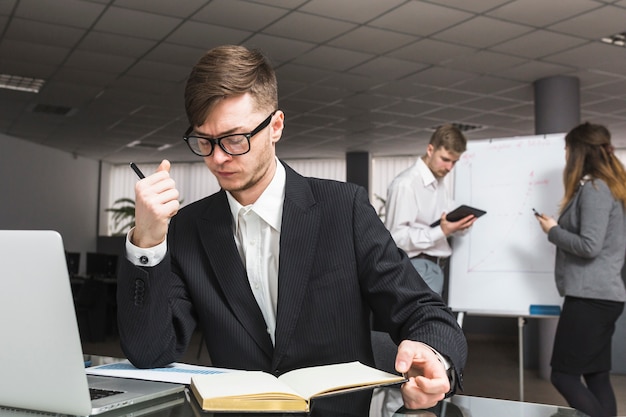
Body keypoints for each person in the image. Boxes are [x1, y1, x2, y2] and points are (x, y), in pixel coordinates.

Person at [116, 45, 467, 415]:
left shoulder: (342, 208)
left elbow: (424, 310)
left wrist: (434, 356)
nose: (218, 158)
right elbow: (150, 351)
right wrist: (148, 240)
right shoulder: (188, 229)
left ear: (276, 127)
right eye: (204, 141)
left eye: (236, 139)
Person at [535, 122, 626, 417]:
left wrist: (553, 230)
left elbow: (589, 246)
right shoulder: (604, 186)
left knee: (563, 375)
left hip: (590, 299)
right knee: (596, 375)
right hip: (600, 297)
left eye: (567, 148)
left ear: (578, 152)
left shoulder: (596, 189)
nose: (564, 154)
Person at [384, 125, 476, 296]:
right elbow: (395, 238)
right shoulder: (406, 184)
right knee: (423, 323)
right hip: (416, 268)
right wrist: (441, 231)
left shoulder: (439, 183)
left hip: (432, 268)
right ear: (430, 149)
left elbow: (446, 220)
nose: (449, 168)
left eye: (454, 162)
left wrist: (460, 225)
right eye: (445, 159)